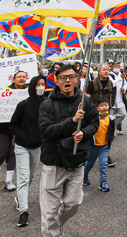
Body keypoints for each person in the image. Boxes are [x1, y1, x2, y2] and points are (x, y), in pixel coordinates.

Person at [38, 62, 99, 237]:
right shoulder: (47, 104)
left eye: (71, 77)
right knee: (49, 213)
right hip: (53, 163)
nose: (68, 80)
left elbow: (94, 123)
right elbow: (47, 131)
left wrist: (84, 133)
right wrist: (72, 121)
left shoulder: (84, 101)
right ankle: (52, 231)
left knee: (73, 203)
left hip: (77, 161)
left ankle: (56, 226)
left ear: (77, 80)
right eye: (63, 78)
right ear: (57, 81)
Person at [11, 74, 46, 228]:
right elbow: (13, 124)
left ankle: (20, 197)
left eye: (43, 84)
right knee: (23, 178)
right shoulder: (23, 104)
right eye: (38, 84)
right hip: (22, 146)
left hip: (37, 147)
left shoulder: (47, 104)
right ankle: (23, 211)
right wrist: (23, 136)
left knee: (30, 176)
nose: (40, 87)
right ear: (32, 86)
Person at [0, 70, 29, 192]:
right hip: (3, 127)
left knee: (13, 153)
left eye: (24, 77)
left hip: (18, 128)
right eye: (19, 77)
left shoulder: (28, 92)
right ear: (13, 79)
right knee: (2, 153)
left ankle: (9, 180)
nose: (21, 79)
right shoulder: (4, 91)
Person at [83, 98, 111, 192]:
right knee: (89, 164)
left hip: (104, 146)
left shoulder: (110, 119)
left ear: (109, 107)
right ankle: (84, 176)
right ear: (97, 108)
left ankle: (103, 182)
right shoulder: (94, 118)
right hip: (93, 146)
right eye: (101, 105)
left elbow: (110, 132)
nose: (104, 107)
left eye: (106, 105)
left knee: (103, 164)